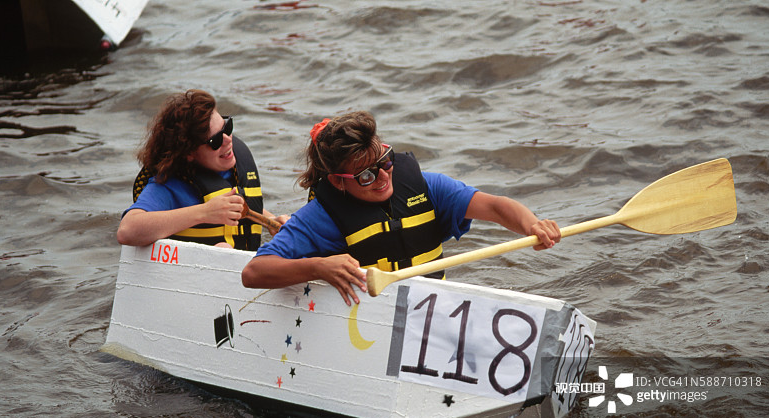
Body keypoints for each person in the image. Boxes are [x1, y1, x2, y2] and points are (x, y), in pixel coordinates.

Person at [240, 111, 560, 305]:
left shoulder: (427, 187)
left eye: (385, 162)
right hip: (369, 325)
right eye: (365, 175)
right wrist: (319, 268)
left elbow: (496, 206)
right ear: (339, 181)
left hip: (432, 310)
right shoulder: (320, 218)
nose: (382, 178)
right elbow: (254, 272)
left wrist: (532, 225)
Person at [117, 89, 287, 250]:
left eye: (227, 128)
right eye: (216, 140)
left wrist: (271, 221)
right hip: (196, 272)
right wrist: (205, 212)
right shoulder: (170, 185)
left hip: (245, 270)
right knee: (223, 249)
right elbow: (127, 231)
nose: (228, 140)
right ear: (189, 152)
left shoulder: (232, 166)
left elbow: (238, 207)